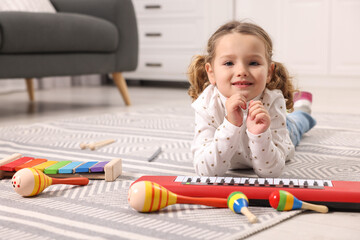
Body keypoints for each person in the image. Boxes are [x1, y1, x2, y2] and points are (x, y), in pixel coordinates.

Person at [187, 21, 316, 178]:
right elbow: (206, 171)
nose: (241, 71)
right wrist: (230, 124)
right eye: (229, 63)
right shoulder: (206, 104)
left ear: (269, 72)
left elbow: (270, 172)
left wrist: (259, 134)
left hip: (277, 134)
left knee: (297, 124)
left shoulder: (272, 100)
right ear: (211, 72)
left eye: (253, 63)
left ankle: (303, 108)